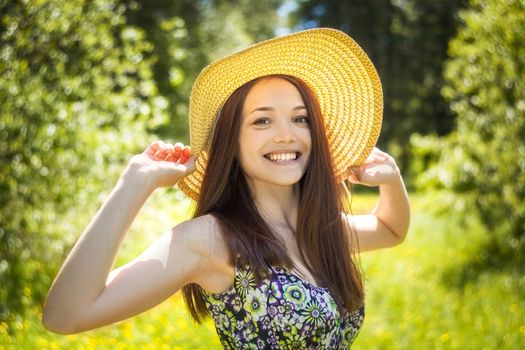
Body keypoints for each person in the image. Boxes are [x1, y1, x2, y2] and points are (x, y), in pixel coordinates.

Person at [43, 28, 410, 349]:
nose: (287, 134)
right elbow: (65, 315)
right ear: (230, 141)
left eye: (300, 118)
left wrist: (391, 181)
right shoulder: (210, 240)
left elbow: (391, 229)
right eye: (262, 120)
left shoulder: (320, 228)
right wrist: (134, 183)